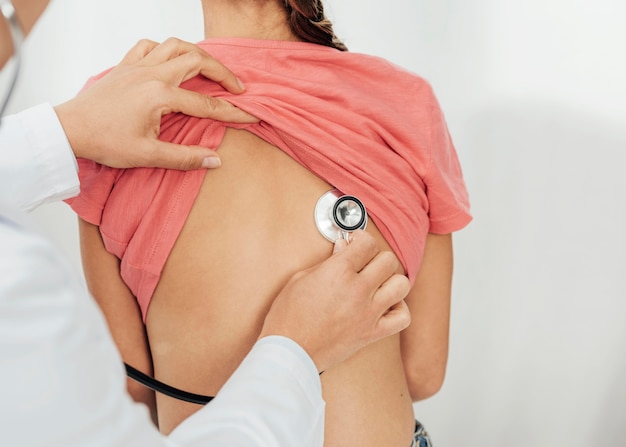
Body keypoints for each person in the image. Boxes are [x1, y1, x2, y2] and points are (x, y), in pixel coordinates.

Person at [0, 1, 412, 446]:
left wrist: (64, 132)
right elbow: (423, 372)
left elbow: (135, 387)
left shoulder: (112, 108)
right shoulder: (401, 98)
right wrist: (294, 350)